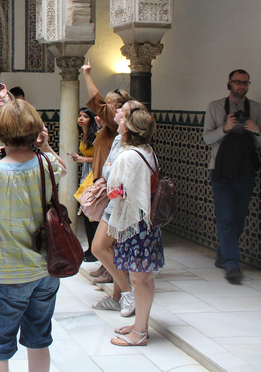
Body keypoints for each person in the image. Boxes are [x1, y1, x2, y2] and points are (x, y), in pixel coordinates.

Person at [0, 99, 66, 372]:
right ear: (37, 131)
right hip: (46, 269)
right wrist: (44, 146)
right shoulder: (47, 164)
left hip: (8, 274)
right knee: (39, 340)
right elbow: (63, 168)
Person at [106, 101, 162, 346]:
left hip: (135, 224)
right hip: (146, 223)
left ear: (129, 130)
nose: (119, 122)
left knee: (140, 279)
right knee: (144, 278)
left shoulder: (128, 156)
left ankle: (139, 333)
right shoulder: (148, 151)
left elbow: (115, 188)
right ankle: (140, 324)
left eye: (123, 121)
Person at [203, 69, 261, 285]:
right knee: (226, 217)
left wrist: (257, 130)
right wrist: (225, 128)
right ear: (229, 84)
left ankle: (223, 255)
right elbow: (207, 138)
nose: (242, 86)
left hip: (245, 169)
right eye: (238, 82)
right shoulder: (215, 107)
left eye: (245, 83)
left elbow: (258, 144)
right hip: (220, 169)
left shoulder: (256, 109)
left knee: (239, 218)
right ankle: (232, 264)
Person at [81, 59, 132, 288]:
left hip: (111, 184)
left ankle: (114, 274)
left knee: (107, 233)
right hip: (104, 180)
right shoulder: (112, 125)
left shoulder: (116, 119)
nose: (109, 107)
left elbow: (97, 102)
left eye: (112, 104)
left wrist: (87, 75)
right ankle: (107, 267)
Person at [72, 107, 99, 262]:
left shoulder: (96, 136)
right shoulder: (83, 135)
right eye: (80, 116)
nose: (81, 118)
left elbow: (102, 157)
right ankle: (90, 248)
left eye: (85, 116)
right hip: (86, 173)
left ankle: (95, 249)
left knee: (92, 212)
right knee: (86, 212)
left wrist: (84, 159)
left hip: (95, 173)